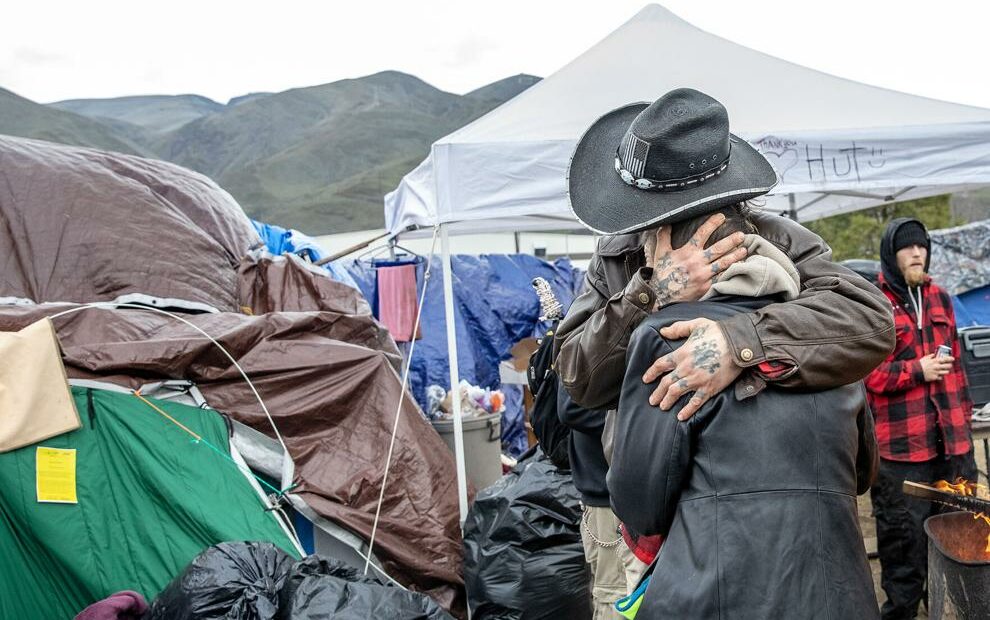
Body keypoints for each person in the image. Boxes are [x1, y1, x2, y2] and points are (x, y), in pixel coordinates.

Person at [554, 87, 894, 615]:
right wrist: (650, 295)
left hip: (760, 536)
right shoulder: (618, 256)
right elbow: (576, 378)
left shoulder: (778, 240)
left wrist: (738, 342)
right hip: (653, 518)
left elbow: (869, 320)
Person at [608, 204, 880, 619]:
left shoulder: (666, 337)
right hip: (837, 597)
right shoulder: (829, 336)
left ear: (682, 256)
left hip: (716, 596)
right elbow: (862, 473)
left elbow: (639, 505)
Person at [865, 218, 976, 620]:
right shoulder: (874, 301)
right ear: (891, 254)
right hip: (901, 455)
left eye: (922, 246)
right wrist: (917, 370)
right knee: (904, 549)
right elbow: (870, 374)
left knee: (961, 540)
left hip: (953, 448)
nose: (917, 253)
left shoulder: (941, 298)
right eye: (908, 247)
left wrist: (964, 427)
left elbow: (958, 369)